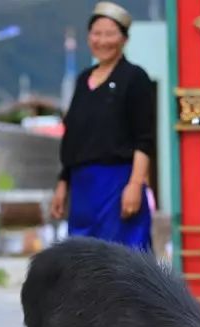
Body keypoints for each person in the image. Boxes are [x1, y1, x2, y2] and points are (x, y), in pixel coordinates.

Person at [51, 1, 155, 251]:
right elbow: (73, 137)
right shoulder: (83, 80)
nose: (102, 41)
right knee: (82, 257)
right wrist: (63, 184)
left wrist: (135, 185)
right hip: (83, 188)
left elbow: (144, 138)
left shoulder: (134, 77)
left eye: (110, 34)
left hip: (117, 183)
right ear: (89, 38)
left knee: (122, 257)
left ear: (124, 39)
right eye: (97, 34)